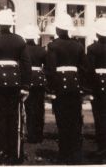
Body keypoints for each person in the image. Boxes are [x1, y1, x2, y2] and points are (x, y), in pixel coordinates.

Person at [0, 9, 31, 164]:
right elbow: (26, 64)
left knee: (1, 118)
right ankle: (14, 152)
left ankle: (2, 151)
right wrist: (26, 86)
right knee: (14, 118)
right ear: (11, 25)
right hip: (15, 82)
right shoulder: (19, 40)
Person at [45, 12, 87, 164]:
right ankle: (74, 152)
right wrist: (83, 88)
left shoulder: (53, 46)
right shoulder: (78, 46)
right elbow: (83, 69)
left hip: (60, 87)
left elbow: (50, 69)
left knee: (62, 121)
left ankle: (64, 153)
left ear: (58, 29)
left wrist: (50, 89)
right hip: (75, 87)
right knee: (75, 120)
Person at [22, 25, 47, 144]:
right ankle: (39, 134)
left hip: (27, 79)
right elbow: (46, 66)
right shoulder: (42, 50)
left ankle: (31, 134)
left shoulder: (23, 49)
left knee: (29, 108)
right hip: (39, 80)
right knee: (39, 108)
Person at [87, 17, 106, 162]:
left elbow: (89, 71)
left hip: (98, 87)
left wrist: (89, 90)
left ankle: (102, 147)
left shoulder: (92, 49)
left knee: (100, 118)